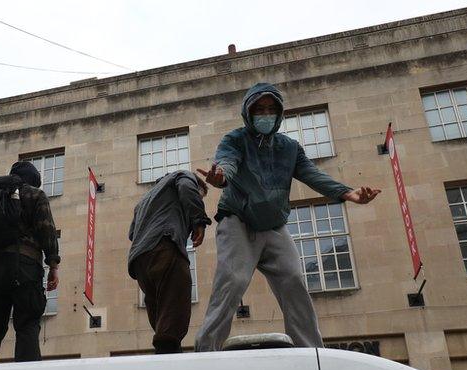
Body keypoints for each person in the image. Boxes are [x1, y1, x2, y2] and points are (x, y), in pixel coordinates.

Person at [195, 82, 381, 351]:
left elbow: (313, 175)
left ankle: (311, 351)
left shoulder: (290, 148)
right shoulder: (235, 140)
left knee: (294, 280)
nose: (266, 115)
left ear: (280, 114)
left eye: (271, 109)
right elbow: (227, 164)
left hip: (274, 226)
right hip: (238, 222)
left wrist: (349, 194)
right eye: (260, 110)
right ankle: (206, 351)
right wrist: (220, 177)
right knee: (232, 282)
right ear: (249, 113)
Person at [0, 161, 60, 364]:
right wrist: (53, 265)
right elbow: (47, 231)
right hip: (26, 267)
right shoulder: (35, 194)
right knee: (27, 325)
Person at [128, 170, 211, 353]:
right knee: (177, 291)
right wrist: (198, 220)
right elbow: (187, 189)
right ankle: (169, 350)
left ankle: (166, 348)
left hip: (140, 259)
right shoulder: (182, 176)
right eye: (200, 197)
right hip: (164, 243)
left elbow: (132, 233)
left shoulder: (145, 198)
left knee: (159, 306)